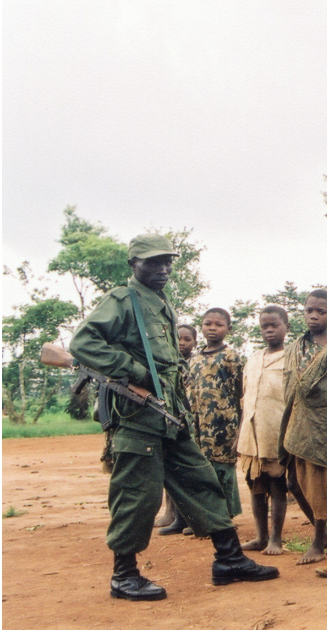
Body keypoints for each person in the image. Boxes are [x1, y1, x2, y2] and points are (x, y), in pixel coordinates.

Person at [70, 234, 278, 601]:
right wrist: (133, 371)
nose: (163, 268)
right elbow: (83, 343)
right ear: (134, 264)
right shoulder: (122, 300)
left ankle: (229, 559)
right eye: (154, 262)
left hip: (168, 414)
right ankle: (124, 575)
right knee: (137, 496)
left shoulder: (161, 302)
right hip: (137, 416)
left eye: (167, 261)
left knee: (202, 480)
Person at [282, 290, 327, 568]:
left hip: (323, 423)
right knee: (293, 483)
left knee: (318, 484)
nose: (314, 316)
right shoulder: (296, 346)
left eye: (321, 311)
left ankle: (318, 541)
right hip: (295, 419)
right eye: (309, 311)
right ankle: (324, 533)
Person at [237, 306, 290, 556]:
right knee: (255, 485)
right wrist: (240, 434)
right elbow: (245, 398)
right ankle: (261, 536)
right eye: (264, 326)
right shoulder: (253, 359)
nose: (269, 330)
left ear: (286, 327)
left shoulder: (291, 358)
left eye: (274, 325)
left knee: (277, 484)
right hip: (251, 434)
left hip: (275, 432)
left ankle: (276, 539)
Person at [188, 308, 244, 521]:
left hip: (224, 424)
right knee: (201, 469)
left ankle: (225, 517)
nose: (212, 328)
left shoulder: (231, 357)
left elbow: (241, 393)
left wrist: (239, 427)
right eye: (207, 324)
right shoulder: (194, 359)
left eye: (218, 325)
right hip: (198, 425)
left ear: (228, 329)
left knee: (222, 469)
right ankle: (207, 517)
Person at [156, 323, 198, 534]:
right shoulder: (166, 361)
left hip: (189, 419)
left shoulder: (194, 364)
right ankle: (172, 513)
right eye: (178, 338)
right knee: (169, 467)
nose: (181, 343)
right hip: (170, 418)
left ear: (195, 342)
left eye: (187, 339)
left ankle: (187, 516)